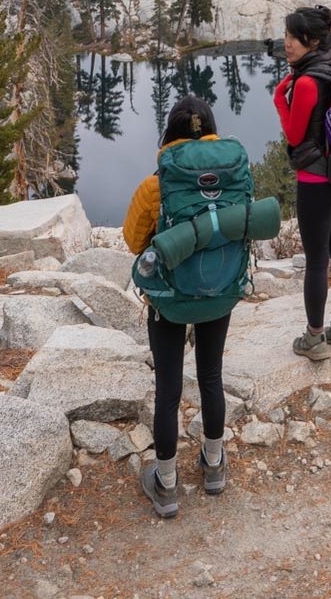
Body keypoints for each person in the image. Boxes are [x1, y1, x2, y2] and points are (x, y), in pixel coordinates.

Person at [123, 95, 243, 516]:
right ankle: (214, 466)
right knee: (211, 374)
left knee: (169, 388)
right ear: (210, 129)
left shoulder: (157, 185)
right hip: (221, 291)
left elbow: (135, 242)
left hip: (170, 300)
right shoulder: (231, 173)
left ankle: (167, 483)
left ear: (170, 132)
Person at [273, 4, 331, 361]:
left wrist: (280, 96)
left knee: (317, 260)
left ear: (312, 40)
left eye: (293, 36)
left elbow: (294, 134)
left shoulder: (307, 82)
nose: (287, 43)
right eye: (287, 35)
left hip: (315, 178)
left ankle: (314, 339)